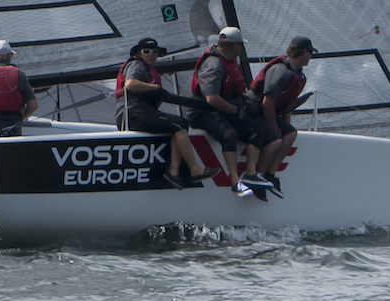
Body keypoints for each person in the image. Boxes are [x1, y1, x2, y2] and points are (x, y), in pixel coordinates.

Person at [113, 38, 215, 186]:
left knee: (179, 124)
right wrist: (155, 88)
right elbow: (130, 84)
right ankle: (194, 169)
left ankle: (173, 172)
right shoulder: (137, 65)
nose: (151, 54)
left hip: (138, 113)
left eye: (154, 52)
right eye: (146, 51)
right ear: (139, 53)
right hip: (133, 111)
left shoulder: (148, 70)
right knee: (180, 124)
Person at [192, 27, 275, 196]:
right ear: (235, 46)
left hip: (226, 109)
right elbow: (212, 99)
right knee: (229, 135)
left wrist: (246, 103)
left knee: (257, 130)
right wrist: (238, 111)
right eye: (240, 45)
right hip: (204, 112)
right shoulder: (213, 64)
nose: (241, 49)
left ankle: (251, 174)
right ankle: (235, 182)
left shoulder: (230, 60)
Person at [250, 36, 315, 191]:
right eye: (311, 53)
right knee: (276, 140)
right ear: (305, 53)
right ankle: (257, 177)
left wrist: (285, 126)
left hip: (268, 113)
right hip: (254, 111)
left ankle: (270, 174)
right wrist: (275, 128)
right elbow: (267, 102)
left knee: (291, 134)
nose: (311, 56)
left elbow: (287, 106)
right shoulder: (280, 70)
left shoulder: (298, 74)